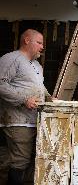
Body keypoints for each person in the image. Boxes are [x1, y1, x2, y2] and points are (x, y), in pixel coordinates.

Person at [0, 29, 51, 184]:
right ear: (27, 40)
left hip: (32, 120)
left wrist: (49, 98)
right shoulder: (11, 59)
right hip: (17, 120)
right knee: (20, 161)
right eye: (39, 42)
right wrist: (24, 99)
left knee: (19, 160)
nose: (42, 47)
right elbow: (1, 84)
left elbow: (39, 87)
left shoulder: (36, 65)